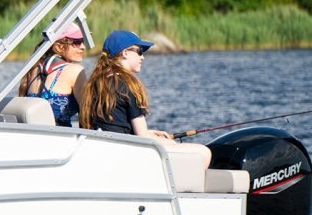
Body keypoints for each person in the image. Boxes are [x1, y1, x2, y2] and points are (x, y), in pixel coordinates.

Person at [80, 29, 211, 163]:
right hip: (125, 153)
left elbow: (113, 125)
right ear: (125, 53)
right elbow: (142, 136)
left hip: (104, 149)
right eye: (140, 51)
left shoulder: (95, 83)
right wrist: (169, 142)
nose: (142, 57)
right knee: (203, 152)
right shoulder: (128, 85)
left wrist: (151, 133)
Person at [20, 23, 88, 127]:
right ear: (58, 47)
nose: (83, 47)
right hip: (61, 135)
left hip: (33, 133)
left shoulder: (35, 69)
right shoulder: (75, 71)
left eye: (82, 41)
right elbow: (87, 114)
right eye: (77, 42)